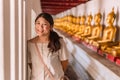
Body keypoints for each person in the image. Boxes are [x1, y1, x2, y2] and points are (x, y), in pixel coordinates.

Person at [27, 13, 69, 80]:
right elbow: (31, 64)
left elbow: (64, 62)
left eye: (44, 24)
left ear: (51, 27)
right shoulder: (30, 44)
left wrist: (57, 75)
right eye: (38, 23)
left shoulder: (58, 42)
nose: (40, 27)